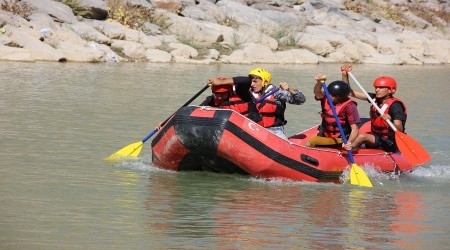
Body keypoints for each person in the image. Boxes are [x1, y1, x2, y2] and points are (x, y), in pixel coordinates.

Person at [208, 67, 306, 139]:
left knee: (282, 144)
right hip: (253, 129)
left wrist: (290, 89)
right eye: (251, 81)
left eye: (256, 81)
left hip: (274, 131)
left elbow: (301, 100)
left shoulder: (277, 93)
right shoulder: (248, 94)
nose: (252, 84)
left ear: (265, 82)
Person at [341, 65, 407, 152]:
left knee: (362, 136)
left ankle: (348, 151)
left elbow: (399, 128)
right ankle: (351, 148)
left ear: (391, 90)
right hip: (377, 137)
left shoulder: (396, 106)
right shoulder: (374, 98)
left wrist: (389, 120)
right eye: (376, 87)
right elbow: (348, 92)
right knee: (355, 134)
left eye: (381, 87)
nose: (377, 90)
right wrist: (345, 75)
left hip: (390, 142)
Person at [305, 74, 360, 148]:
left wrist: (349, 142)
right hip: (326, 134)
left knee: (313, 141)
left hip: (341, 138)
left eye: (333, 95)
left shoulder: (349, 106)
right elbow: (317, 93)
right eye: (329, 93)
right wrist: (319, 82)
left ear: (341, 97)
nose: (330, 96)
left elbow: (355, 128)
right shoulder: (327, 97)